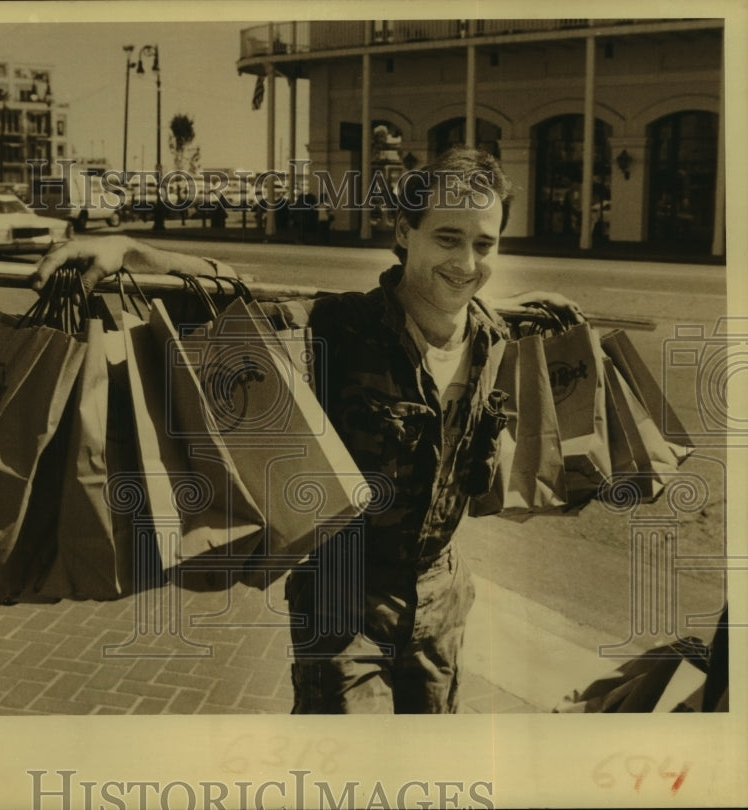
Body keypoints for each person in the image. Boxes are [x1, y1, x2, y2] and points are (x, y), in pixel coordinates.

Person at [31, 147, 582, 714]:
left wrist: (522, 306)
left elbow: (471, 307)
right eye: (447, 238)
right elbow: (231, 298)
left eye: (483, 244)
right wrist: (130, 249)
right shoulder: (340, 326)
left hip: (442, 598)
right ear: (404, 230)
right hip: (343, 601)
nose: (467, 262)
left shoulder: (493, 334)